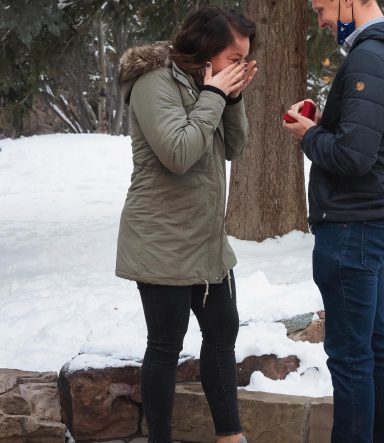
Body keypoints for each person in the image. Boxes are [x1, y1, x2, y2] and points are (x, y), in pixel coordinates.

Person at [283, 0, 384, 442]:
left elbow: (353, 156)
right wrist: (323, 125)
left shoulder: (370, 57)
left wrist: (309, 135)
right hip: (373, 216)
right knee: (374, 346)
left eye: (321, 9)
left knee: (351, 358)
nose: (321, 21)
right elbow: (369, 139)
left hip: (353, 222)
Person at [115, 6, 257, 443]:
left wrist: (229, 97)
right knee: (165, 347)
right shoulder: (153, 81)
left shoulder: (206, 84)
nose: (241, 67)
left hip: (208, 241)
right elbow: (178, 153)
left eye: (245, 60)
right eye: (235, 57)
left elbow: (234, 144)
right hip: (161, 240)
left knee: (221, 336)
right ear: (207, 48)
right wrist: (215, 95)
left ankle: (229, 436)